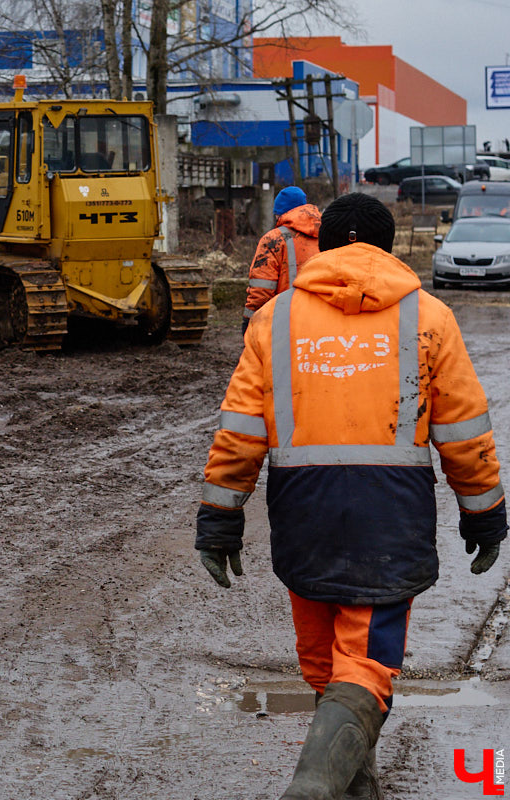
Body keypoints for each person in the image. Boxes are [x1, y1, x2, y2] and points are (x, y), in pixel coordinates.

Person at [196, 193, 505, 800]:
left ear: (324, 247)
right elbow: (465, 430)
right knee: (363, 665)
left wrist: (220, 518)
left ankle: (353, 785)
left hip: (302, 512)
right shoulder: (429, 317)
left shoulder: (274, 320)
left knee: (323, 661)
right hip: (389, 518)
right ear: (388, 249)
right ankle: (315, 785)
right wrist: (484, 513)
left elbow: (240, 431)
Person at [242, 186, 321, 332]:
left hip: (285, 321)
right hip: (321, 319)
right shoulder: (326, 235)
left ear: (279, 214)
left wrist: (250, 319)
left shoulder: (273, 240)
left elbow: (262, 288)